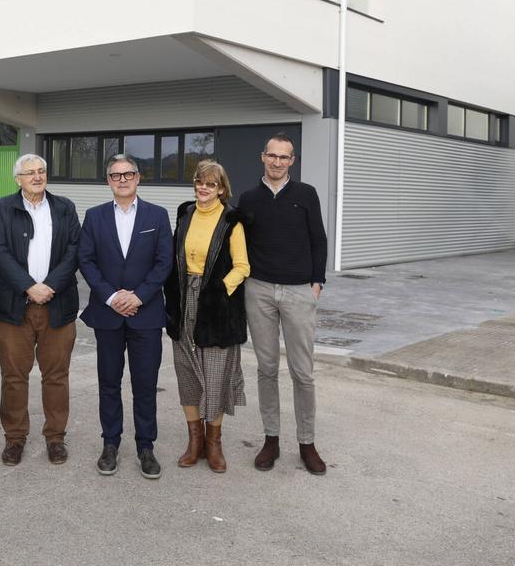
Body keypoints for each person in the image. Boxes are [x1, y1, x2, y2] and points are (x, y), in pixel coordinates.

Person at [236, 133, 329, 475]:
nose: (277, 162)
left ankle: (307, 443)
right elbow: (239, 244)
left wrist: (316, 283)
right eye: (271, 156)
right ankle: (271, 439)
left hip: (298, 292)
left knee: (302, 372)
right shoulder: (248, 199)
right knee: (266, 369)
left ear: (292, 161)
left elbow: (318, 240)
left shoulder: (306, 195)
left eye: (283, 157)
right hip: (259, 290)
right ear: (263, 157)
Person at [79, 153, 173, 479]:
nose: (122, 179)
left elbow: (164, 263)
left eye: (128, 174)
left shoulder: (158, 216)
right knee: (109, 383)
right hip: (108, 315)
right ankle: (110, 444)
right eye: (116, 175)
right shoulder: (93, 217)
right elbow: (86, 261)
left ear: (138, 178)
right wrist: (111, 296)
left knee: (145, 385)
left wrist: (138, 296)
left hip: (146, 316)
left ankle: (146, 447)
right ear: (108, 181)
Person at [0, 154, 81, 467]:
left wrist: (50, 285)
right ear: (18, 179)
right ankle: (14, 438)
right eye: (30, 173)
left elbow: (74, 250)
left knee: (56, 376)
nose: (37, 177)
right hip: (15, 307)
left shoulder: (65, 207)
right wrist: (29, 286)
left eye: (41, 171)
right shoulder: (3, 207)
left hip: (58, 306)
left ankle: (55, 438)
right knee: (14, 377)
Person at [164, 160, 250, 474]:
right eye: (200, 182)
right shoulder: (185, 215)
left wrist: (218, 290)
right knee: (186, 373)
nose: (203, 188)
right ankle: (195, 441)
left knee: (214, 378)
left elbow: (242, 266)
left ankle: (214, 443)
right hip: (183, 300)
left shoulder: (231, 221)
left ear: (222, 189)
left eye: (211, 184)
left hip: (217, 308)